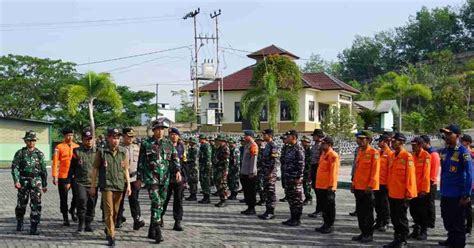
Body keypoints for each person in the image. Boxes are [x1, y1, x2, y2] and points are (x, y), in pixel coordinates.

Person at [137, 120, 182, 243]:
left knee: (160, 205)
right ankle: (157, 230)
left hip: (165, 179)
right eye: (158, 129)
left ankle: (151, 230)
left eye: (163, 129)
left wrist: (177, 171)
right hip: (152, 179)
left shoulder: (168, 144)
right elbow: (141, 162)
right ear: (153, 130)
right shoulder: (146, 143)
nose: (161, 131)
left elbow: (175, 159)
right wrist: (139, 178)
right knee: (156, 202)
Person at [90, 128, 132, 247]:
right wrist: (93, 185)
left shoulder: (123, 152)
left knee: (116, 212)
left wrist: (128, 185)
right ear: (108, 138)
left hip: (119, 185)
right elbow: (95, 169)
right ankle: (112, 235)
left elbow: (126, 170)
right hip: (106, 185)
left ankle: (109, 228)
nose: (116, 140)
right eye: (114, 138)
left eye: (118, 138)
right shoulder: (102, 152)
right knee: (109, 211)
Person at [438, 125, 472, 248]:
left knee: (458, 223)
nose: (446, 136)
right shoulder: (446, 151)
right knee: (447, 220)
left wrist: (466, 194)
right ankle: (451, 239)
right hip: (445, 192)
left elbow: (469, 174)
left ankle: (458, 244)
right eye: (445, 134)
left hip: (457, 194)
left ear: (457, 136)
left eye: (449, 134)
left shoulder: (463, 152)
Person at [384, 132, 417, 248]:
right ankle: (396, 239)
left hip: (402, 194)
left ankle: (402, 240)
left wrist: (409, 192)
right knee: (394, 218)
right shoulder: (393, 156)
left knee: (401, 218)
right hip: (393, 192)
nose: (392, 143)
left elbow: (410, 176)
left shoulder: (407, 156)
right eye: (391, 141)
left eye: (394, 141)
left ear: (402, 142)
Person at [11, 130, 48, 235]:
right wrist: (16, 181)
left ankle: (34, 226)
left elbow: (43, 170)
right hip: (23, 181)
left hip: (36, 182)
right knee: (21, 204)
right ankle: (20, 221)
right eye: (29, 140)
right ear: (25, 141)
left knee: (36, 204)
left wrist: (44, 184)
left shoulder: (39, 154)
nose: (31, 142)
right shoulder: (20, 153)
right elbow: (15, 168)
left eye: (33, 140)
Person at [67, 128, 99, 232]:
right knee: (81, 201)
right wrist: (68, 181)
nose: (89, 141)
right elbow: (71, 168)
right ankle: (80, 223)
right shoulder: (77, 151)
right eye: (86, 139)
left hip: (93, 182)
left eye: (90, 139)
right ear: (83, 140)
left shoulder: (98, 152)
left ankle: (88, 224)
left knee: (91, 204)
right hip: (80, 182)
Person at [352, 130, 380, 243]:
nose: (359, 141)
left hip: (368, 189)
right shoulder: (360, 152)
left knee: (368, 213)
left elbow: (375, 171)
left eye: (362, 139)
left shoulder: (374, 153)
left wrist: (371, 186)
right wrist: (353, 183)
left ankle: (368, 234)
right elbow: (357, 170)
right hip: (358, 187)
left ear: (368, 140)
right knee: (360, 212)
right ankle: (363, 232)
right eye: (358, 138)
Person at [116, 127, 145, 231]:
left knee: (134, 200)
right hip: (121, 177)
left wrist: (140, 178)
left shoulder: (137, 147)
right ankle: (118, 219)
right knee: (119, 200)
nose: (131, 138)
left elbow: (141, 163)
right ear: (123, 136)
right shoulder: (118, 148)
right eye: (129, 136)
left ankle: (136, 220)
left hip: (134, 178)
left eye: (132, 136)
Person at [52, 127, 80, 226]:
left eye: (72, 135)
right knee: (63, 197)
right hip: (63, 176)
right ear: (64, 136)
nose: (70, 137)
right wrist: (54, 175)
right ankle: (65, 217)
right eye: (68, 135)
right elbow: (55, 162)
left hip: (75, 176)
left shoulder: (77, 146)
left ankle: (72, 210)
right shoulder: (58, 147)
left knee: (77, 195)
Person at [314, 136, 339, 234]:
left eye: (324, 143)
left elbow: (334, 172)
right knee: (324, 207)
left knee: (329, 207)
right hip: (321, 185)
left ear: (329, 145)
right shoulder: (324, 154)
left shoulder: (333, 155)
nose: (322, 145)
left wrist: (331, 186)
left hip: (328, 187)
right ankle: (325, 224)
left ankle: (330, 225)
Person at [161, 127, 185, 231]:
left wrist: (184, 177)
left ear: (178, 136)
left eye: (175, 134)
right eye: (171, 134)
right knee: (164, 199)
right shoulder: (164, 146)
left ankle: (177, 221)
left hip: (178, 177)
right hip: (166, 176)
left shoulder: (182, 147)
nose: (173, 136)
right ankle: (160, 217)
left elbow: (184, 162)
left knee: (178, 200)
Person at [408, 137, 431, 240]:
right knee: (413, 211)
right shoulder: (412, 156)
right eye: (412, 145)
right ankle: (416, 230)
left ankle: (423, 231)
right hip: (413, 189)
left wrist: (424, 190)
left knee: (423, 212)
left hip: (421, 190)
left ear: (420, 145)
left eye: (415, 145)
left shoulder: (426, 156)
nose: (413, 147)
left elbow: (426, 175)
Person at [281, 130, 305, 227]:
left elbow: (301, 164)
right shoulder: (290, 148)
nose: (286, 138)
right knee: (291, 198)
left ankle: (297, 219)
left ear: (294, 137)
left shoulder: (298, 148)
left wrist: (298, 177)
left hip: (295, 179)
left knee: (297, 199)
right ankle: (292, 217)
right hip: (289, 177)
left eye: (288, 136)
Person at [258, 129, 279, 220]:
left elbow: (274, 161)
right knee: (267, 192)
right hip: (265, 172)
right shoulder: (267, 145)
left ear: (269, 135)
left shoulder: (273, 146)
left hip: (270, 173)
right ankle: (267, 210)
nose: (263, 136)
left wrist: (270, 173)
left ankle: (271, 212)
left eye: (264, 135)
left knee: (270, 192)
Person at [420, 134, 440, 230]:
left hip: (431, 182)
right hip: (424, 182)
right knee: (424, 204)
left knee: (429, 203)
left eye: (422, 143)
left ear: (427, 143)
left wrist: (431, 181)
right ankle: (424, 220)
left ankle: (431, 221)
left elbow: (434, 169)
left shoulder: (433, 154)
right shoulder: (424, 153)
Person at [374, 134, 392, 232]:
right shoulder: (378, 153)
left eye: (380, 141)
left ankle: (386, 222)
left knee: (385, 204)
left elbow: (390, 170)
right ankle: (379, 221)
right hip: (377, 182)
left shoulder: (390, 154)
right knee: (377, 203)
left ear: (385, 142)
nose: (378, 143)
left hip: (385, 183)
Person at [240, 130, 259, 215]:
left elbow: (253, 160)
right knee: (247, 191)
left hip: (250, 173)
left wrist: (252, 172)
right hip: (245, 172)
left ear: (250, 136)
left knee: (251, 191)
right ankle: (249, 207)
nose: (244, 137)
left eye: (245, 135)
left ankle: (252, 208)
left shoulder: (253, 146)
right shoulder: (247, 145)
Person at [308, 129, 325, 217]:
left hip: (319, 169)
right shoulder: (314, 145)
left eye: (314, 135)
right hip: (314, 168)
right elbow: (311, 160)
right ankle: (319, 209)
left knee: (320, 191)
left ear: (319, 136)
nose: (313, 137)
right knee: (316, 190)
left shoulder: (323, 146)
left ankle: (321, 209)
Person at [461, 134, 474, 236]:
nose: (461, 142)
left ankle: (468, 228)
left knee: (468, 207)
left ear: (468, 143)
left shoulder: (470, 154)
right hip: (462, 183)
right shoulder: (460, 153)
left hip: (471, 184)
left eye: (463, 141)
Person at [214, 134, 230, 207]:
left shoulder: (225, 148)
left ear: (222, 141)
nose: (216, 142)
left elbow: (225, 160)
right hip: (218, 169)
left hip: (222, 169)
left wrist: (218, 163)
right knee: (219, 184)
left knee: (223, 185)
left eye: (218, 140)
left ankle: (224, 199)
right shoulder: (219, 148)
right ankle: (221, 199)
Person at [198, 134, 213, 204]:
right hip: (202, 166)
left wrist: (207, 168)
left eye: (200, 138)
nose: (199, 139)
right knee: (203, 181)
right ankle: (205, 196)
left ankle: (207, 198)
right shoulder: (202, 145)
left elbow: (208, 158)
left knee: (206, 182)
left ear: (204, 139)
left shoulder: (206, 146)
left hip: (205, 167)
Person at [185, 137, 200, 201]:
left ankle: (193, 195)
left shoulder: (195, 149)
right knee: (190, 181)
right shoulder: (190, 149)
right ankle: (191, 194)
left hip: (194, 168)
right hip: (190, 167)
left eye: (191, 142)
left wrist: (186, 160)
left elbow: (194, 159)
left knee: (193, 181)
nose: (189, 143)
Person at [301, 135, 313, 205]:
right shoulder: (303, 149)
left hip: (308, 170)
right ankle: (307, 197)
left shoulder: (310, 149)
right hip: (304, 169)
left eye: (304, 141)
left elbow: (310, 161)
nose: (302, 143)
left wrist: (309, 170)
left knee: (307, 184)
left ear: (307, 142)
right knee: (304, 184)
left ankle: (309, 198)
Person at [255, 135, 266, 206]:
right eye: (257, 140)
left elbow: (264, 160)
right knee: (257, 185)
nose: (258, 142)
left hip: (262, 170)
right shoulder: (257, 148)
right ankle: (260, 198)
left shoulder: (264, 149)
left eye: (260, 140)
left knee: (261, 185)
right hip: (257, 169)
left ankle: (263, 199)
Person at [279, 135, 289, 202]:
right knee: (284, 182)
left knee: (287, 182)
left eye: (284, 139)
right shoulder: (284, 146)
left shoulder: (289, 147)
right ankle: (286, 195)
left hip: (288, 167)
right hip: (283, 167)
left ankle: (288, 196)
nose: (283, 140)